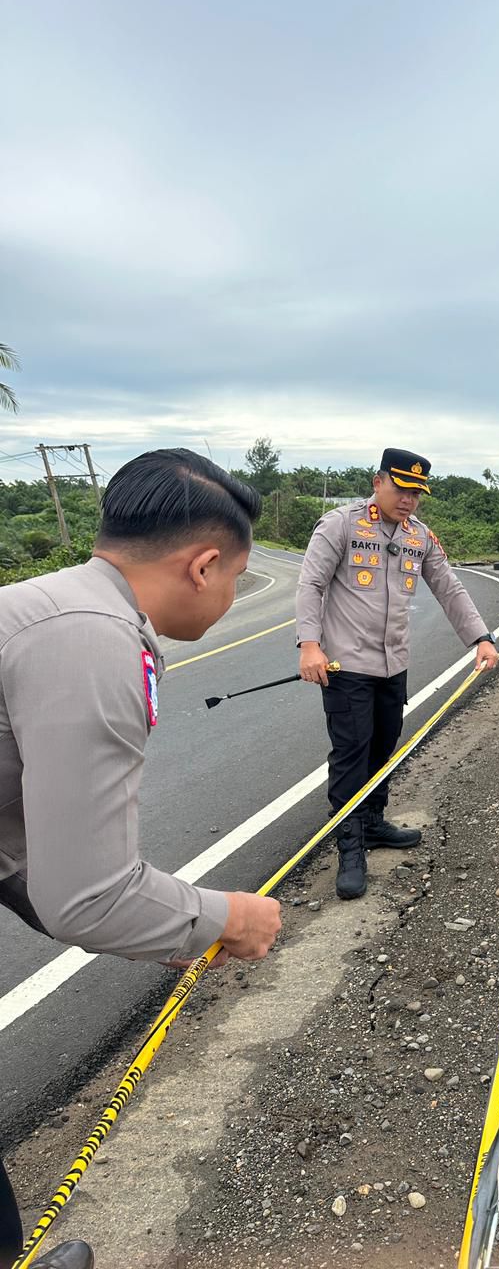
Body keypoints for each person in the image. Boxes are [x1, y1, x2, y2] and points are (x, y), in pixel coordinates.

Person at [0, 449, 283, 1269]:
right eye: (234, 577)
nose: (230, 597)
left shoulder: (38, 605)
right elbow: (87, 895)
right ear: (203, 565)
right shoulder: (92, 643)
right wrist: (226, 917)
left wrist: (175, 930)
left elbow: (19, 852)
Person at [296, 448, 499, 900]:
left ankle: (372, 823)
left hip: (394, 665)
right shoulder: (341, 524)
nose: (409, 500)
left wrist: (481, 637)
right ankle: (349, 849)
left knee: (384, 747)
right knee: (352, 754)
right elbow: (310, 583)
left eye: (417, 493)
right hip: (345, 666)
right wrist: (308, 643)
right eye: (402, 489)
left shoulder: (418, 535)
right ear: (378, 482)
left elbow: (449, 586)